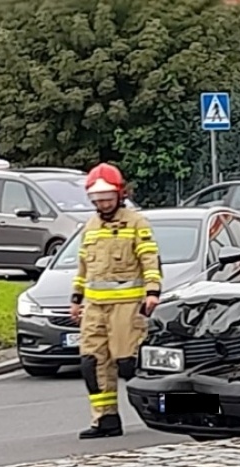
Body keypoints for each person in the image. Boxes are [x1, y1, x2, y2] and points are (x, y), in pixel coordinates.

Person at [69, 163, 161, 439]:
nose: (103, 204)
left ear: (120, 195)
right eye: (97, 201)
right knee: (92, 364)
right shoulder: (91, 226)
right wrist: (76, 299)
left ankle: (167, 410)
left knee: (127, 364)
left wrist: (153, 291)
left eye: (107, 199)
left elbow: (149, 259)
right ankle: (105, 420)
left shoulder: (136, 223)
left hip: (127, 306)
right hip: (94, 308)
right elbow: (84, 267)